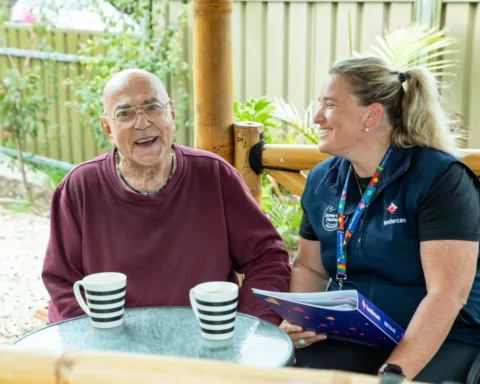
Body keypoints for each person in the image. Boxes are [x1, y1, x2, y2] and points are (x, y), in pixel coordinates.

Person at [280, 56, 480, 382]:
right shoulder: (321, 180)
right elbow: (310, 267)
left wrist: (395, 372)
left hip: (448, 334)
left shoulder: (440, 178)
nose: (316, 117)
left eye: (329, 105)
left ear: (371, 114)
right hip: (358, 332)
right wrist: (303, 322)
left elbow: (448, 295)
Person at [42, 68, 291, 325]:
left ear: (171, 113)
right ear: (108, 129)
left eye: (152, 108)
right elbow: (61, 281)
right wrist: (97, 340)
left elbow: (266, 258)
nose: (142, 123)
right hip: (114, 349)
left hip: (207, 342)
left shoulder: (214, 175)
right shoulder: (80, 187)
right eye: (125, 114)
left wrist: (249, 326)